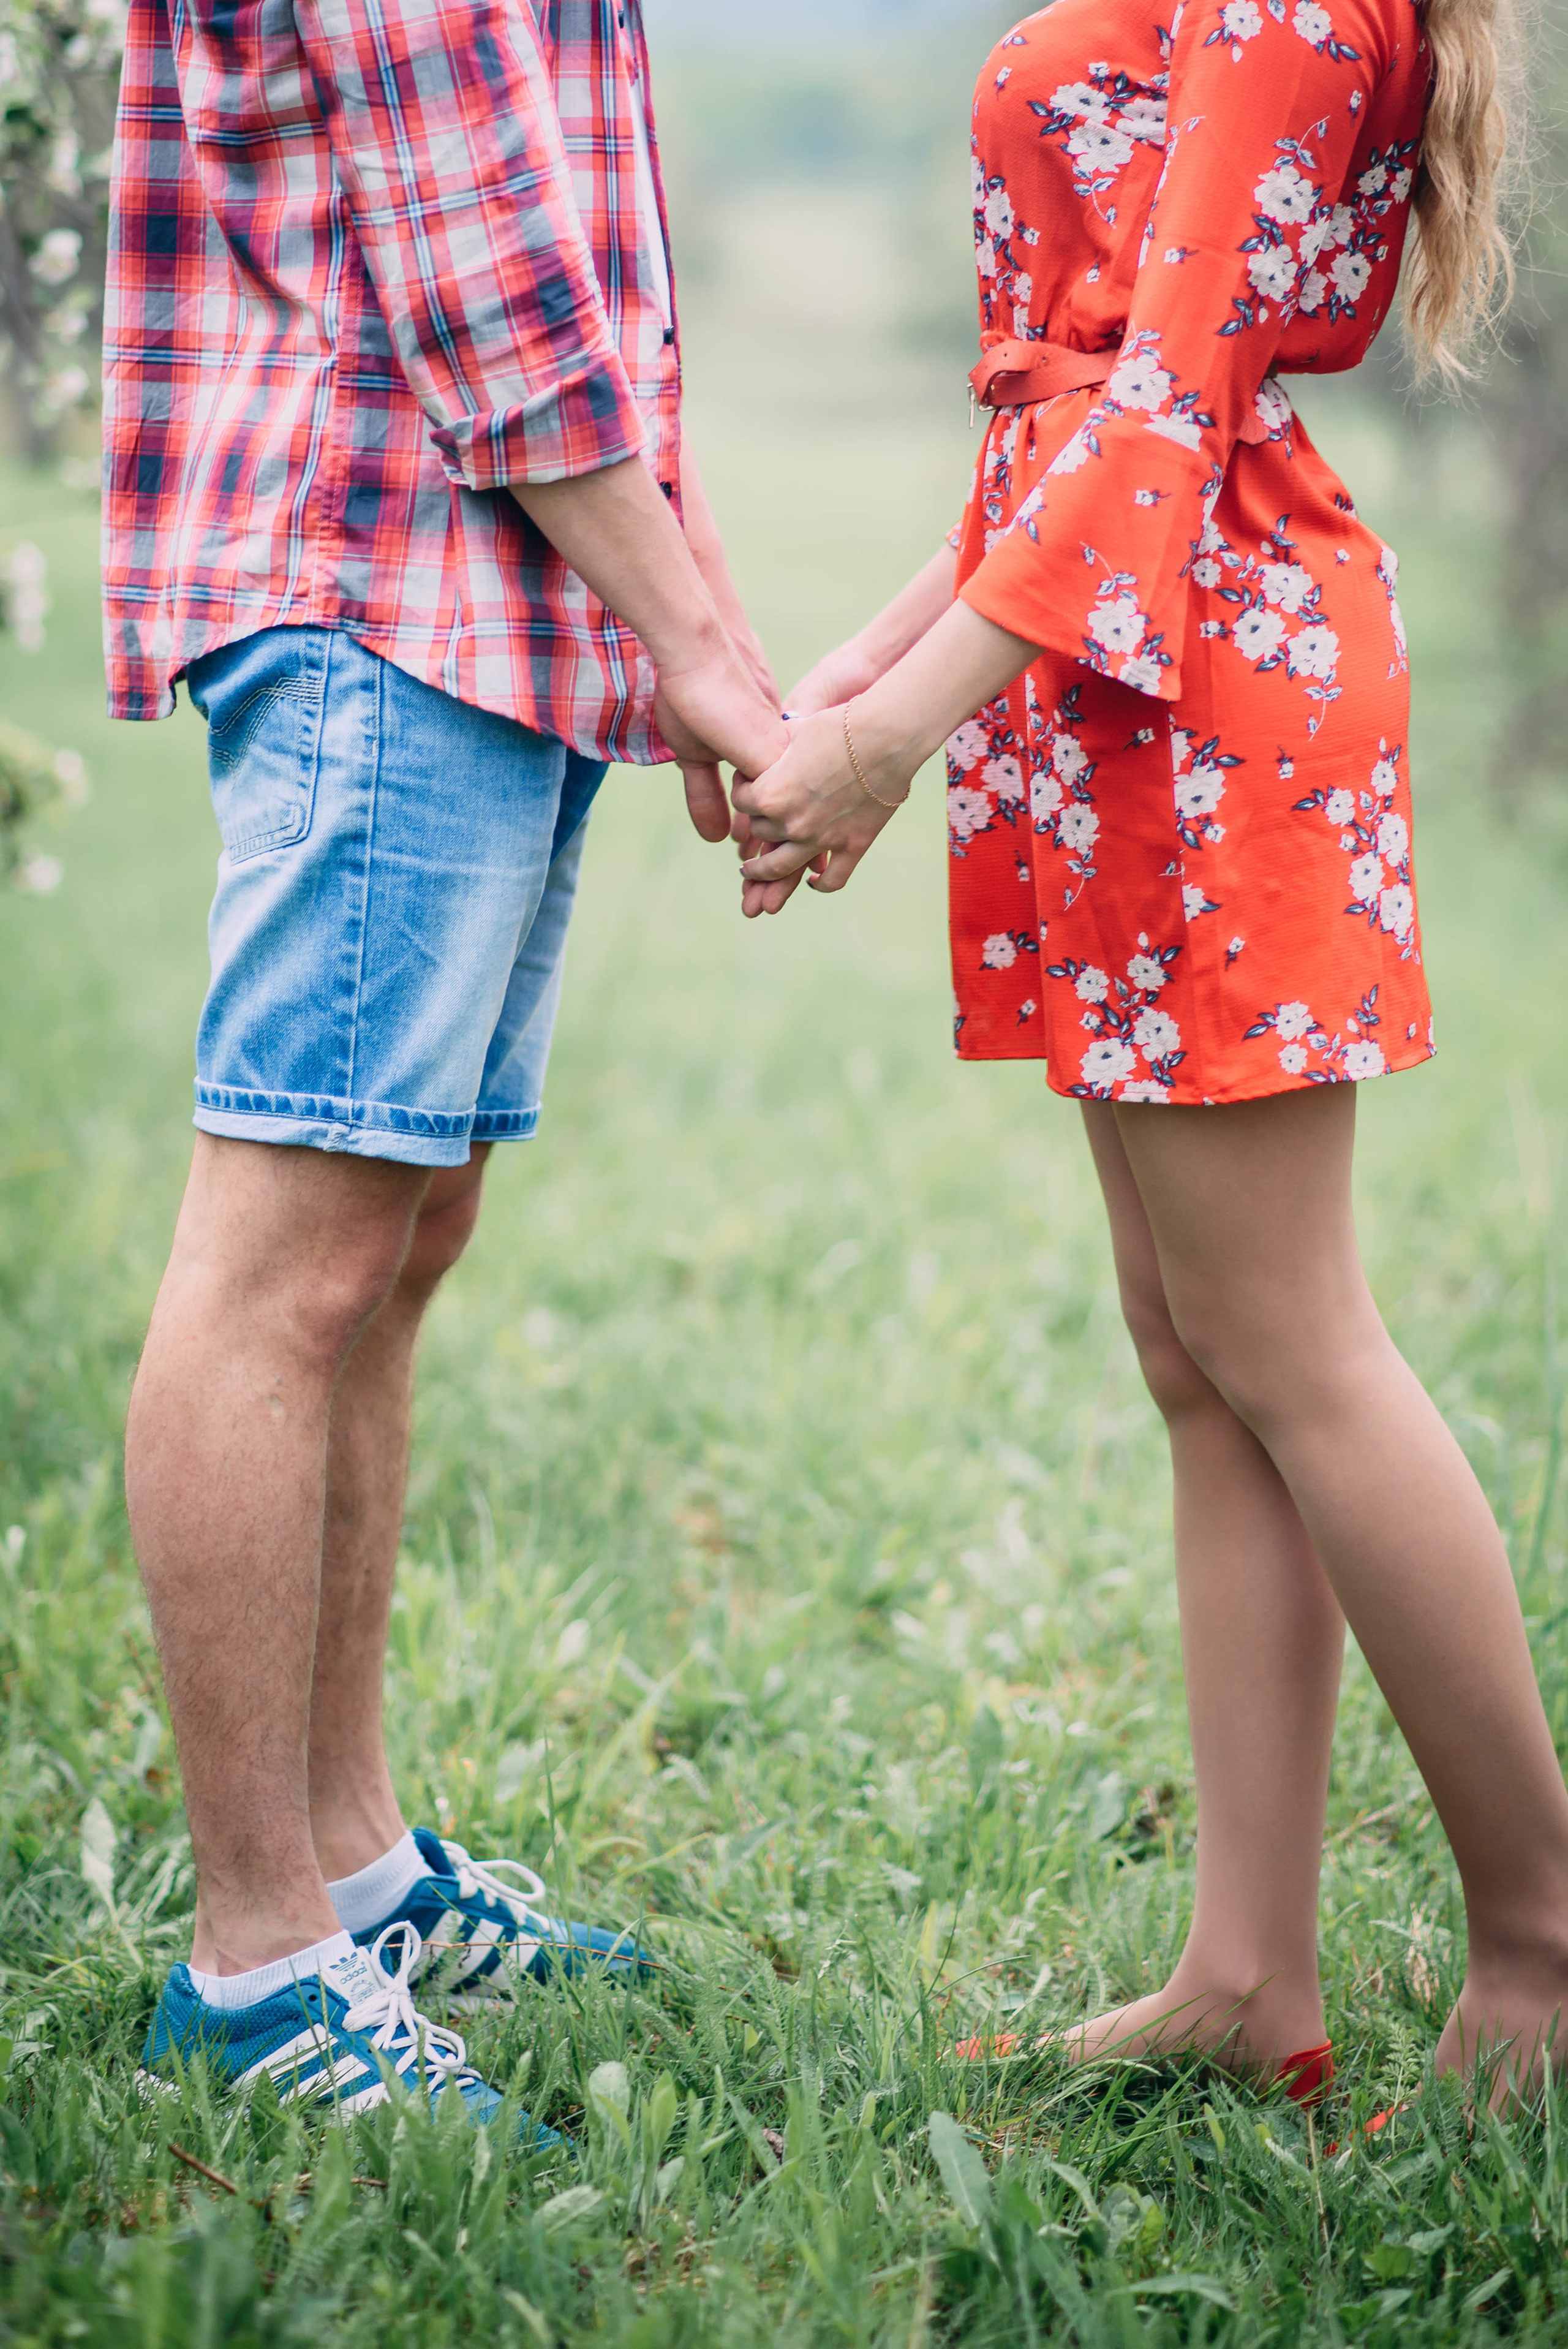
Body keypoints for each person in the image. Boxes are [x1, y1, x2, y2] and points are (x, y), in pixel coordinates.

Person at [731, 0, 1560, 2108]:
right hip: (1108, 664)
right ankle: (1244, 1969)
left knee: (1296, 1339)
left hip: (1213, 678)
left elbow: (1168, 417)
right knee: (1198, 1346)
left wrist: (886, 738)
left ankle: (1544, 1944)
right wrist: (872, 663)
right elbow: (1074, 415)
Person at [102, 0, 785, 2132]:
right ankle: (250, 1955)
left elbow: (578, 234)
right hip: (374, 575)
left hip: (487, 589)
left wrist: (692, 619)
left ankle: (350, 1869)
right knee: (288, 1256)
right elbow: (476, 235)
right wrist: (686, 638)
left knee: (391, 1241)